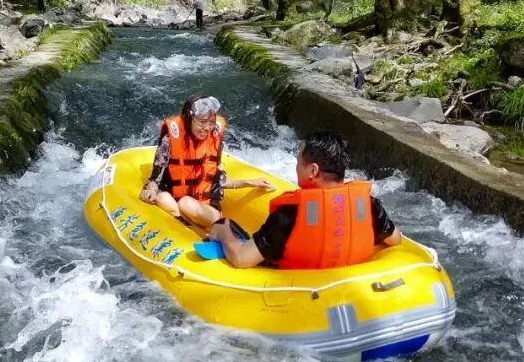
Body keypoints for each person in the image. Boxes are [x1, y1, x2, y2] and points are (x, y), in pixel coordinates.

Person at [208, 131, 402, 269]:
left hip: (299, 295)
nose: (296, 168)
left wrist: (223, 231)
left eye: (299, 163)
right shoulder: (366, 204)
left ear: (313, 170)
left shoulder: (289, 214)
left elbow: (241, 259)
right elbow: (395, 239)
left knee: (228, 228)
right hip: (351, 287)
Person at [141, 95, 274, 230]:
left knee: (186, 203)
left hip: (207, 210)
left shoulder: (214, 140)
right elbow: (155, 179)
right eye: (202, 122)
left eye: (211, 122)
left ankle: (228, 232)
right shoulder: (169, 140)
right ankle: (192, 229)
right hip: (177, 205)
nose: (207, 127)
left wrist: (249, 182)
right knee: (163, 197)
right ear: (189, 119)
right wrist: (150, 191)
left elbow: (216, 180)